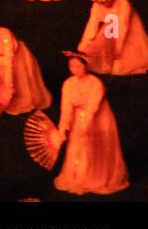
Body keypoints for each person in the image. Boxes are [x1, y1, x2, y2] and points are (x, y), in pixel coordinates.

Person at [52, 51, 129, 195]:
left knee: (93, 144)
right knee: (77, 146)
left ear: (85, 66)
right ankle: (79, 175)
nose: (74, 69)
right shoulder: (68, 84)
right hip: (77, 117)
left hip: (97, 118)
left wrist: (84, 127)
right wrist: (63, 128)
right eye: (71, 66)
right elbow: (66, 108)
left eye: (78, 66)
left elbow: (91, 108)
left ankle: (97, 175)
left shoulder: (95, 83)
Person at [78, 0, 148, 75]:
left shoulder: (122, 2)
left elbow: (123, 26)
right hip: (111, 27)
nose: (104, 4)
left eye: (106, 1)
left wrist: (118, 48)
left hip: (129, 26)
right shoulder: (97, 6)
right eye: (100, 2)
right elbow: (92, 24)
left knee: (119, 66)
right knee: (99, 54)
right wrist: (84, 45)